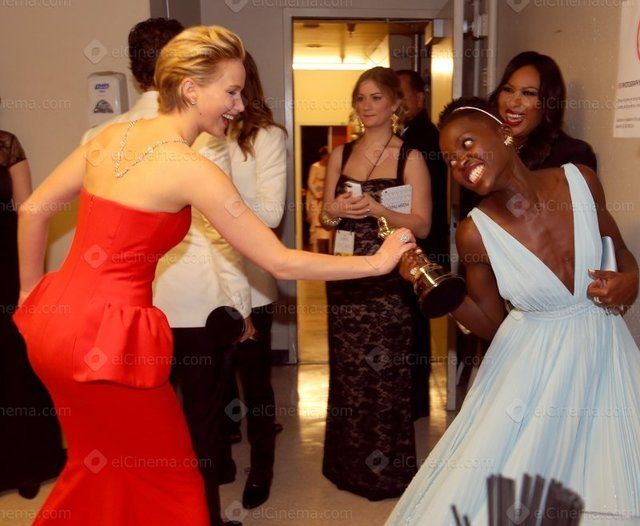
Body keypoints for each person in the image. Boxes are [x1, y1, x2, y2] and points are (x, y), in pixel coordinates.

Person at [13, 26, 416, 525]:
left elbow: (32, 210)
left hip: (55, 327)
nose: (241, 105)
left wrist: (31, 293)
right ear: (190, 89)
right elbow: (279, 261)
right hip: (109, 342)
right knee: (174, 483)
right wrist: (377, 262)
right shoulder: (192, 168)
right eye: (231, 91)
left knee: (100, 468)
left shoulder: (110, 136)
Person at [386, 97, 640, 525]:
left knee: (607, 468)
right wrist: (427, 281)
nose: (460, 162)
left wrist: (630, 279)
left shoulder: (580, 181)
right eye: (450, 160)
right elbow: (490, 322)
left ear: (504, 133)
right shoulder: (475, 234)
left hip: (606, 353)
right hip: (533, 370)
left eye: (467, 144)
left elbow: (621, 251)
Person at [321, 66, 431, 500]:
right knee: (348, 371)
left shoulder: (411, 157)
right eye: (360, 98)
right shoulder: (340, 154)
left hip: (388, 279)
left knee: (386, 373)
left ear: (395, 104)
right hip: (345, 275)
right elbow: (325, 217)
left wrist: (378, 209)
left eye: (376, 98)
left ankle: (386, 472)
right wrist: (336, 210)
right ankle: (345, 466)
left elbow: (422, 224)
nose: (366, 106)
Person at [222, 51, 287, 510]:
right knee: (211, 382)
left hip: (251, 281)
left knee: (255, 383)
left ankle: (262, 466)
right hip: (203, 280)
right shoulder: (196, 133)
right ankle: (220, 458)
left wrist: (214, 204)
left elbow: (271, 213)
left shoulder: (266, 136)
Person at [0, 129, 66, 499]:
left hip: (6, 267)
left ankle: (29, 465)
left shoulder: (6, 144)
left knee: (16, 361)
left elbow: (29, 212)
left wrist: (32, 283)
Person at [396, 69, 449, 421]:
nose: (397, 102)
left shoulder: (424, 139)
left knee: (415, 322)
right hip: (414, 240)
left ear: (420, 97)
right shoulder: (405, 135)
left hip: (424, 241)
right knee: (411, 322)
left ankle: (415, 402)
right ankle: (412, 399)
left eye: (402, 94)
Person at [489, 51, 597, 172]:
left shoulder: (572, 155)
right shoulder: (486, 144)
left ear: (548, 103)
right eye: (508, 90)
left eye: (528, 93)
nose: (513, 102)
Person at [307, 146, 331, 253]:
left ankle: (325, 247)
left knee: (324, 219)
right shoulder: (315, 166)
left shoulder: (329, 167)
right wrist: (317, 194)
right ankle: (315, 248)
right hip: (315, 196)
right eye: (325, 156)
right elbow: (310, 182)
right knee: (315, 220)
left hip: (325, 195)